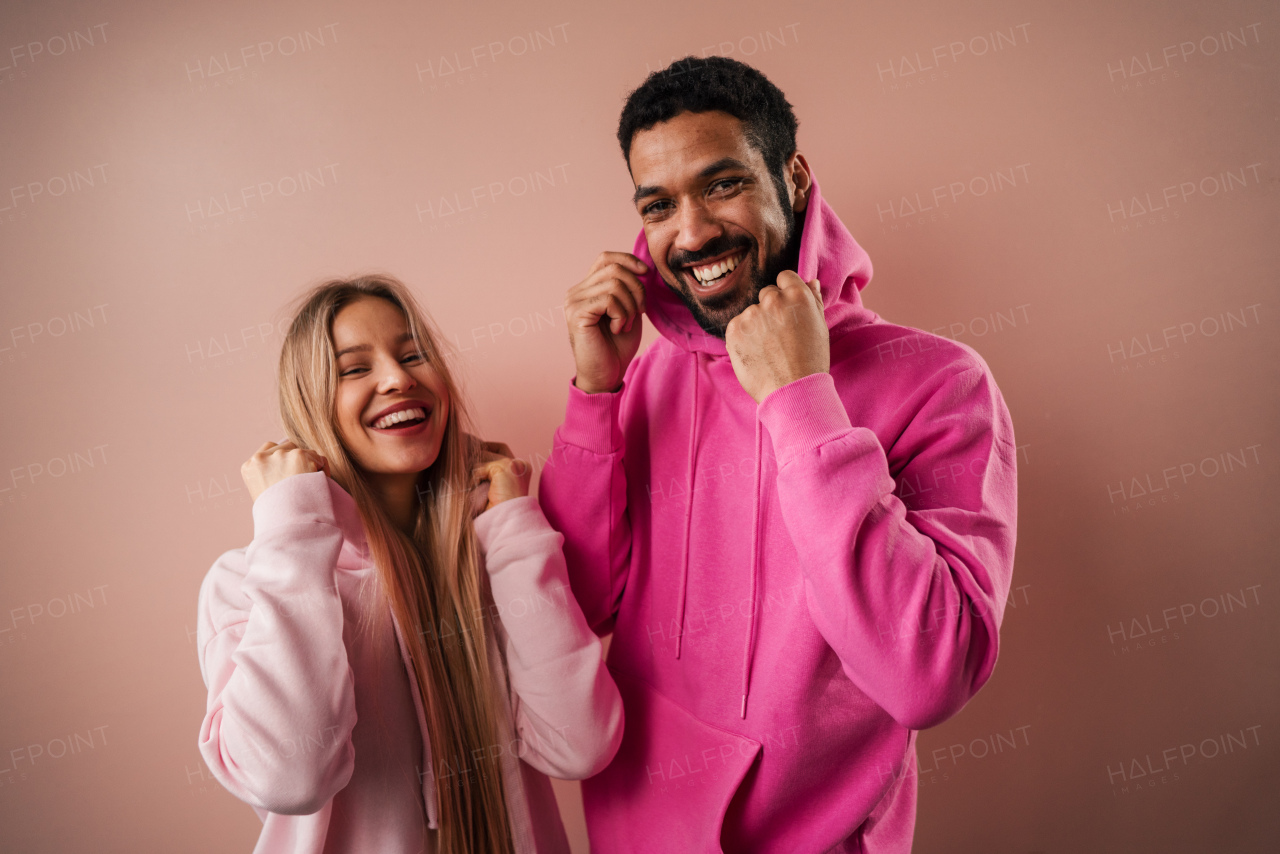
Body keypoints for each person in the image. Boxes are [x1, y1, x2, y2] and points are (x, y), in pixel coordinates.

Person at [539, 56, 1018, 852]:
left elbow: (930, 673)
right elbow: (577, 610)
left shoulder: (942, 382)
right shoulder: (647, 369)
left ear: (792, 176)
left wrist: (801, 400)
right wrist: (594, 395)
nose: (690, 234)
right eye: (659, 204)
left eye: (721, 184)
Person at [195, 275, 623, 854]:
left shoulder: (497, 554)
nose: (398, 379)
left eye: (413, 354)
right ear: (311, 403)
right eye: (353, 368)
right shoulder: (248, 582)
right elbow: (289, 778)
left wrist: (514, 526)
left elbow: (581, 745)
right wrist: (293, 529)